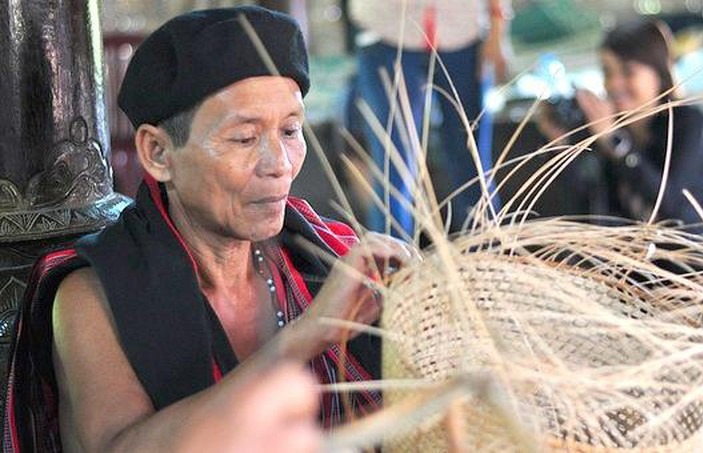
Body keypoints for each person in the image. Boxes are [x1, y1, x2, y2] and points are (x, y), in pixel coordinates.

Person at [3, 7, 418, 452]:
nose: (279, 165)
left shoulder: (329, 258)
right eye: (244, 138)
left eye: (291, 130)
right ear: (158, 153)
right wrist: (305, 337)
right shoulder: (93, 296)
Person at [538, 19, 703, 243]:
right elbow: (588, 219)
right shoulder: (607, 129)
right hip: (653, 265)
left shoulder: (685, 123)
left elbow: (671, 207)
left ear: (659, 73)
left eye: (628, 72)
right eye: (607, 72)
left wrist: (617, 144)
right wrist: (562, 147)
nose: (614, 84)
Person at [348, 0, 511, 237]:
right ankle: (392, 267)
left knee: (472, 162)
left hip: (464, 31)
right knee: (393, 167)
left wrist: (498, 28)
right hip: (387, 30)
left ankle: (488, 260)